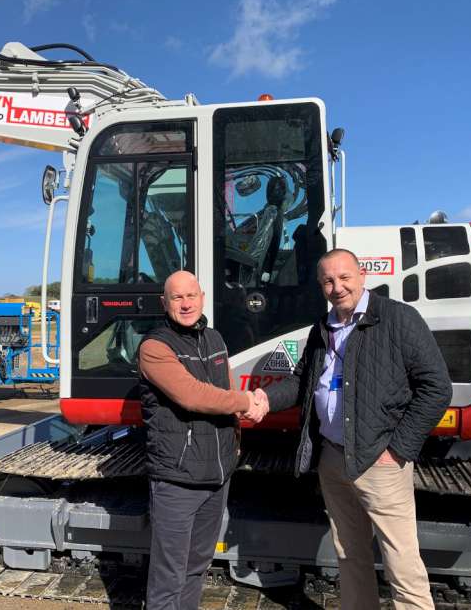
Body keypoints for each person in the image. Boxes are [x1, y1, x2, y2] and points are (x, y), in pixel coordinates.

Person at [255, 249, 452, 610]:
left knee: (402, 564)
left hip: (381, 460)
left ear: (362, 277)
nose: (337, 287)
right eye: (328, 280)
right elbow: (303, 381)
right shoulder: (323, 327)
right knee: (349, 554)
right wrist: (264, 399)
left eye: (344, 277)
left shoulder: (397, 319)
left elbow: (437, 387)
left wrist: (398, 450)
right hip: (333, 457)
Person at [138, 270, 268, 610]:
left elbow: (224, 390)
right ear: (164, 303)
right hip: (177, 479)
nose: (185, 304)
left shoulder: (214, 339)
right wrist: (245, 402)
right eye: (177, 298)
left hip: (217, 475)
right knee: (169, 577)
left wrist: (235, 442)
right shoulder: (155, 347)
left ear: (202, 298)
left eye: (191, 296)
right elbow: (192, 396)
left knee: (196, 568)